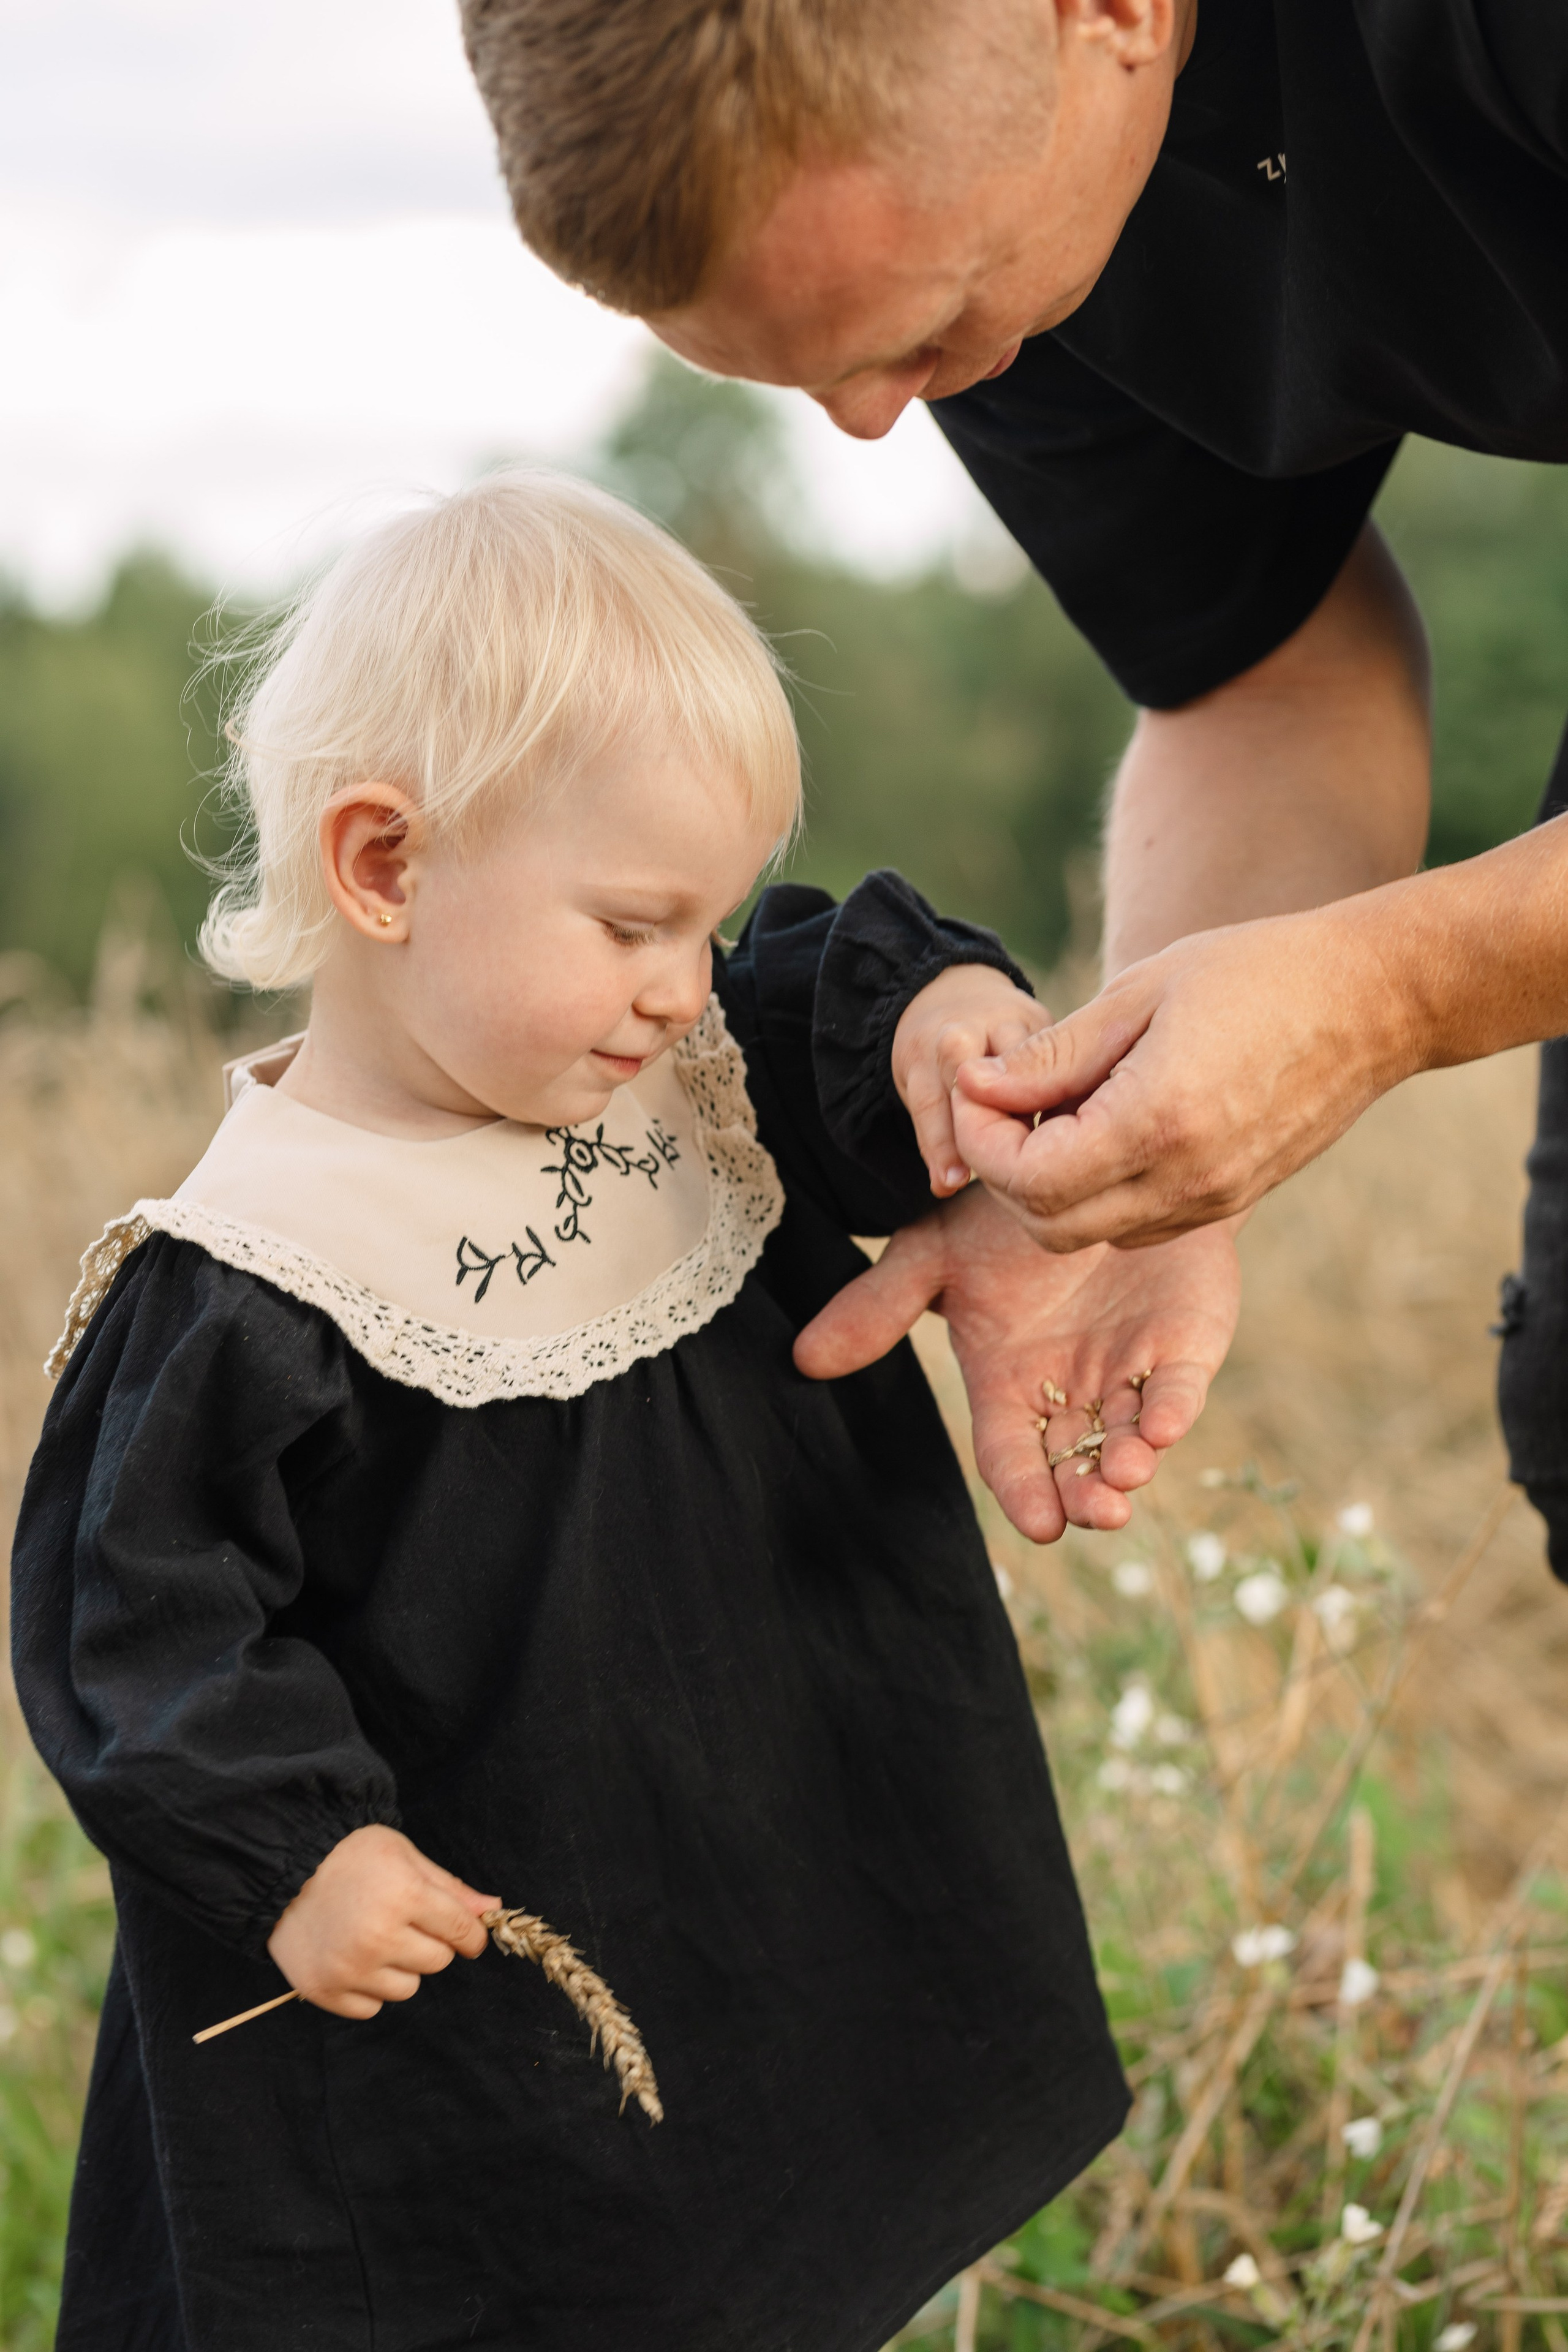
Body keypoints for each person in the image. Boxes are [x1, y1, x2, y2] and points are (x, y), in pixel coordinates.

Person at [10, 471, 1129, 2352]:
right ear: (383, 868)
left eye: (703, 926)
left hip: (761, 1870)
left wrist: (937, 1010)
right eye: (630, 922)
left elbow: (850, 1009)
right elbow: (142, 1626)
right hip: (488, 1998)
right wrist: (300, 1854)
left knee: (770, 2243)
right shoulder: (259, 1280)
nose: (680, 984)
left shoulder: (697, 1077)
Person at [459, 0, 1568, 1566]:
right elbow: (1270, 673)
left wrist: (1386, 993)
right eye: (808, 367)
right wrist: (1124, 1153)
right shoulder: (1007, 167)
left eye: (917, 322)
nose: (869, 416)